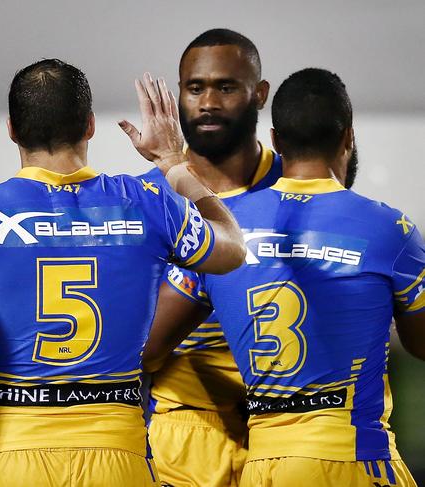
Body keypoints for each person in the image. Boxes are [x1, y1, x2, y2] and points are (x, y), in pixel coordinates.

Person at [0, 59, 246, 486]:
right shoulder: (147, 202)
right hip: (118, 455)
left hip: (14, 456)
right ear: (90, 126)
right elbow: (231, 249)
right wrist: (172, 163)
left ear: (12, 130)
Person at [148, 68, 424, 486]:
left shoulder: (227, 234)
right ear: (348, 136)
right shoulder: (392, 229)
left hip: (268, 465)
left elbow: (147, 348)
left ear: (275, 140)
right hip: (358, 459)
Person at [121, 28, 281, 487]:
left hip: (286, 429)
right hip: (182, 433)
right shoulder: (144, 199)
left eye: (225, 87)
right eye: (195, 88)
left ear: (260, 93)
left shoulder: (298, 187)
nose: (208, 102)